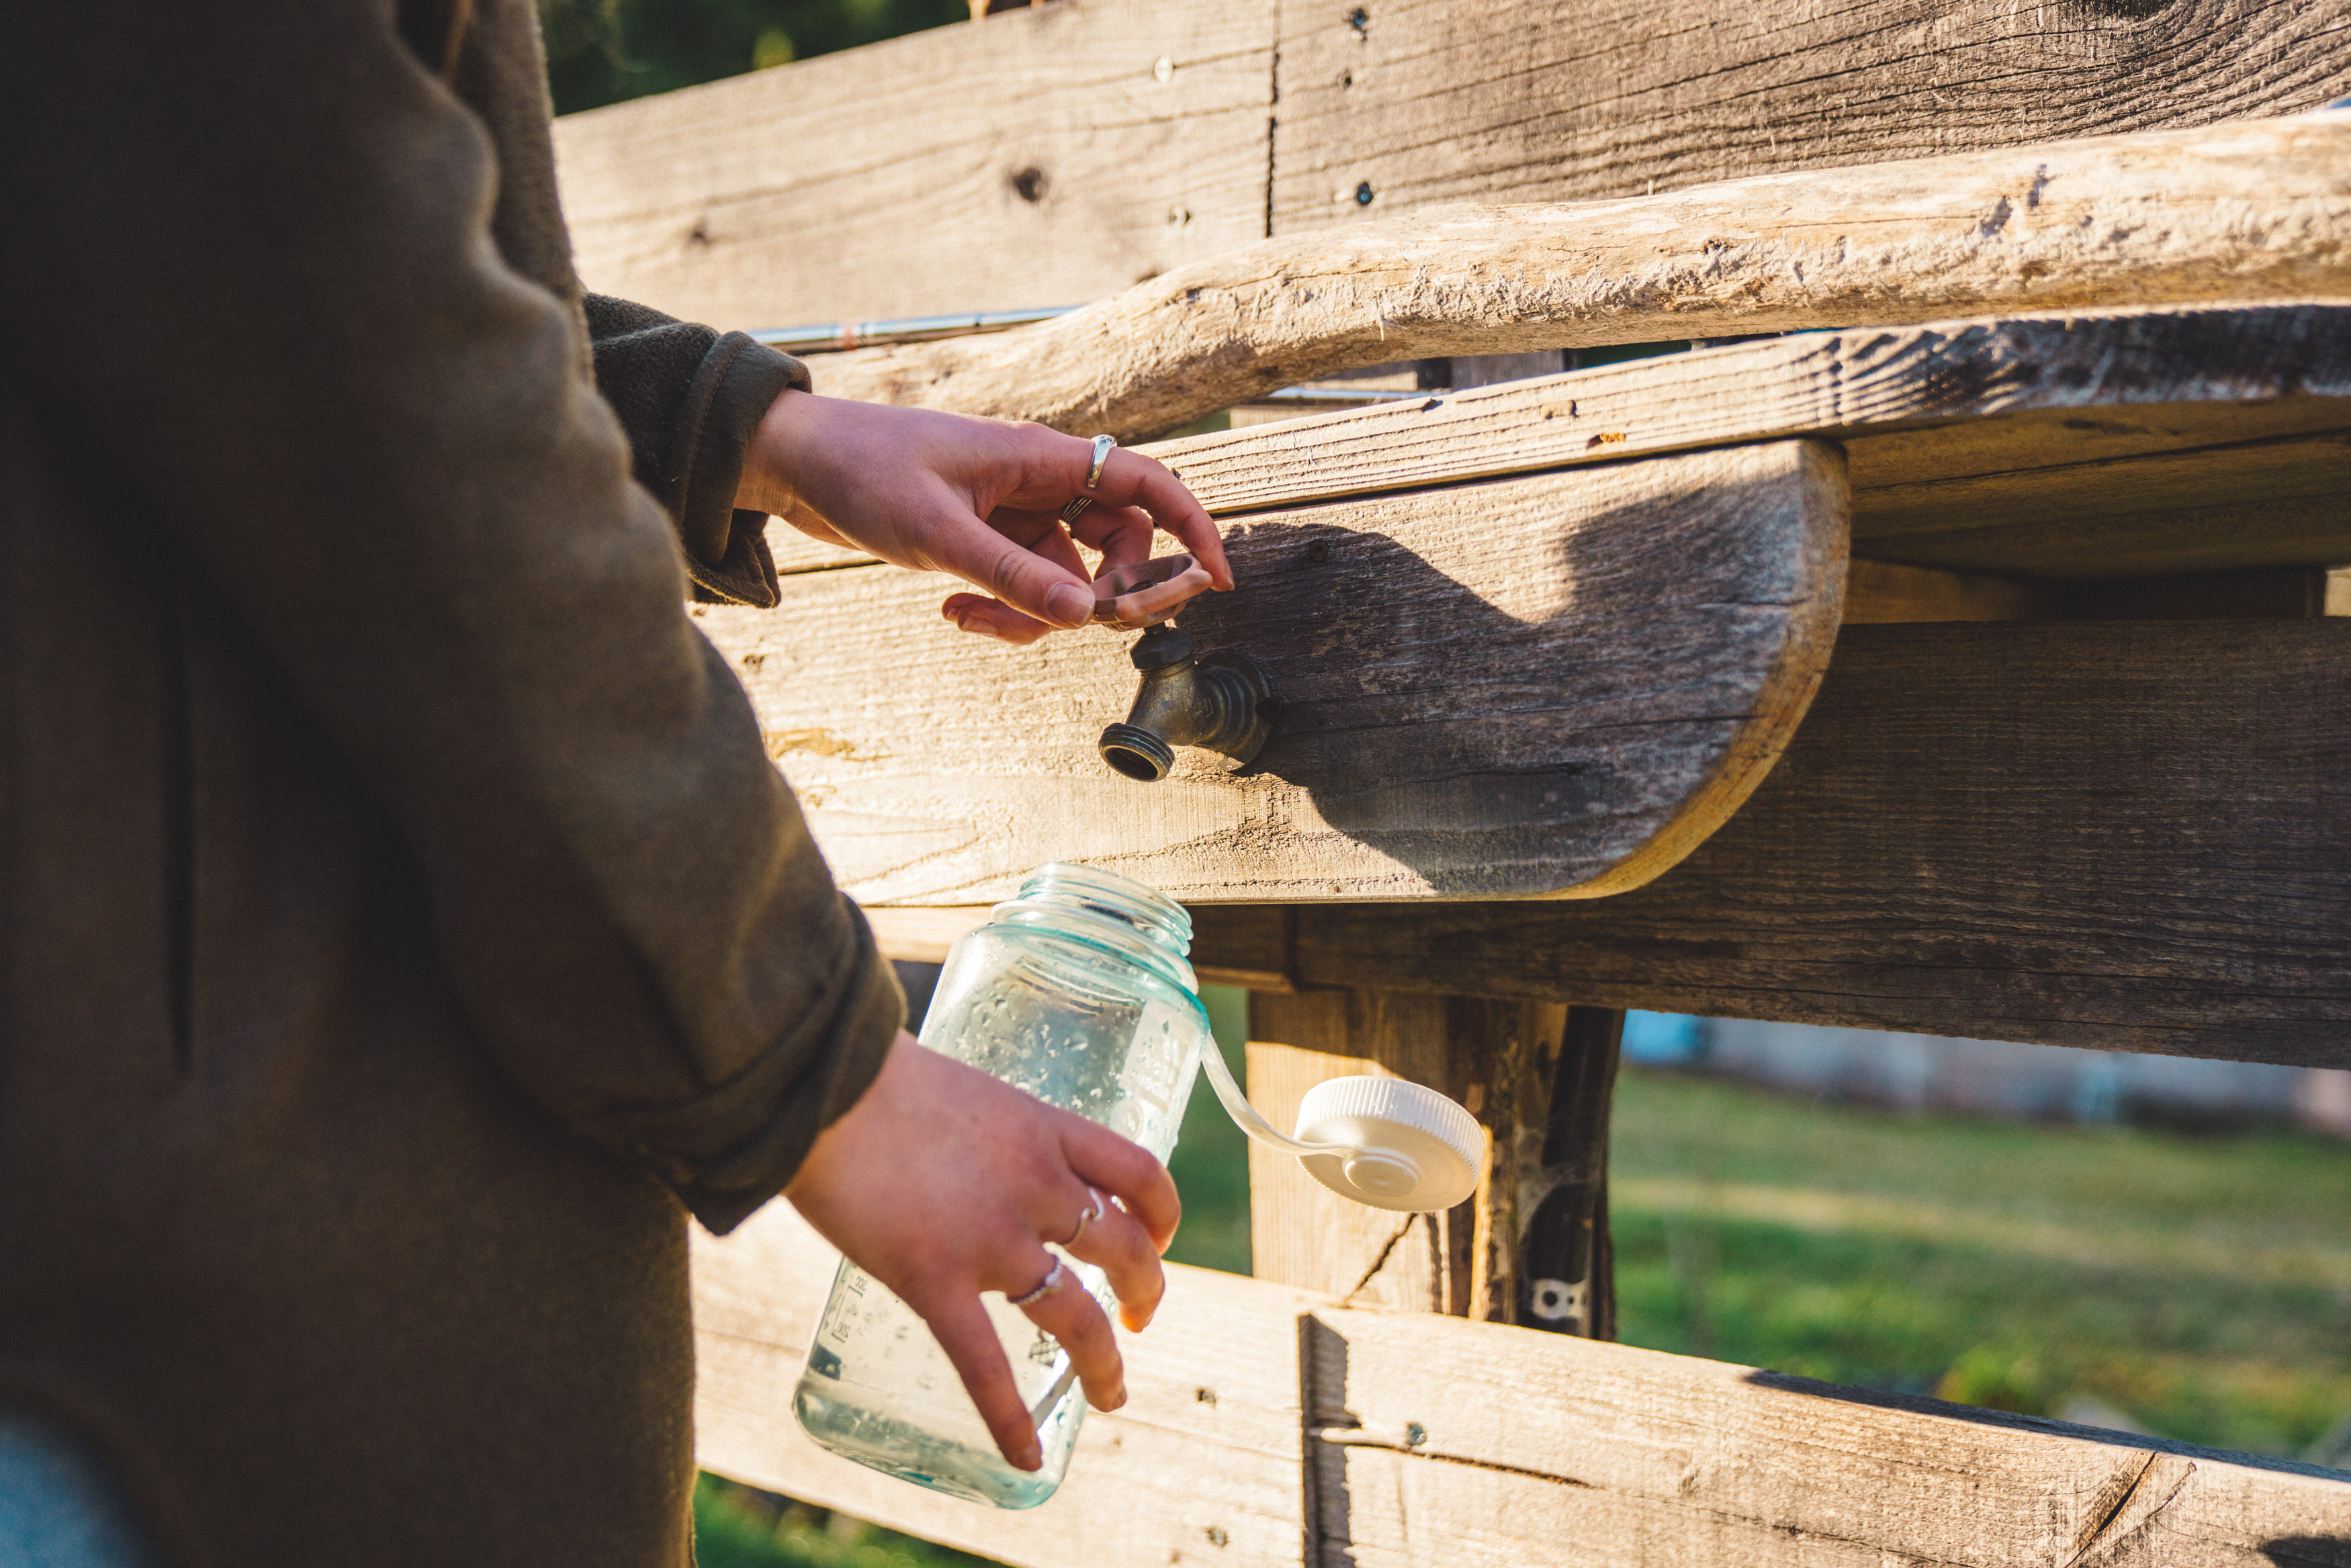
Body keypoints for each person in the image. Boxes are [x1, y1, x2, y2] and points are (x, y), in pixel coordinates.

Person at [0, 1, 1234, 1563]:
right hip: (178, 1321)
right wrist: (822, 1064)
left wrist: (746, 431)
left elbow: (240, 230)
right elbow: (344, 331)